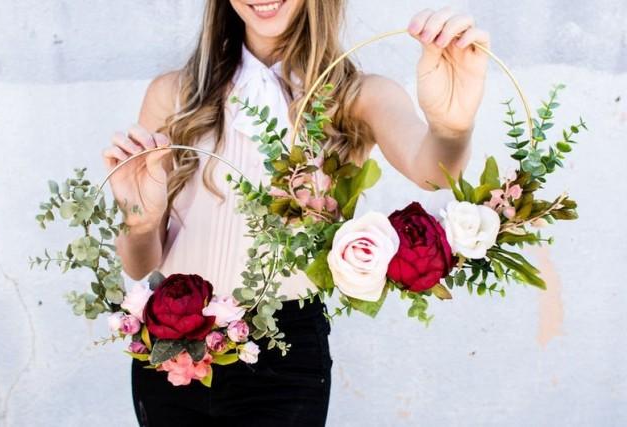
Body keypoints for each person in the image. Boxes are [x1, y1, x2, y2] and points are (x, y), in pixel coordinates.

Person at [102, 1, 490, 426]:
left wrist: (452, 129)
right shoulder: (173, 94)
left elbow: (431, 171)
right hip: (171, 344)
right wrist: (139, 222)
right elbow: (141, 262)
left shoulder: (358, 96)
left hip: (284, 355)